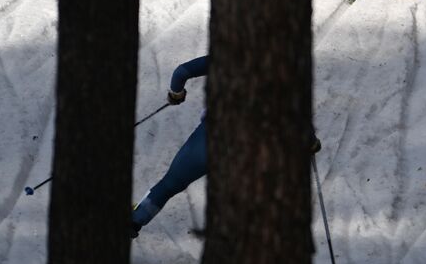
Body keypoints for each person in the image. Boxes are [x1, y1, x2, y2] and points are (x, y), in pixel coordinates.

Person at [130, 55, 321, 237]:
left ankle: (134, 222)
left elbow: (181, 72)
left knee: (168, 185)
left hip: (208, 139)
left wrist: (176, 94)